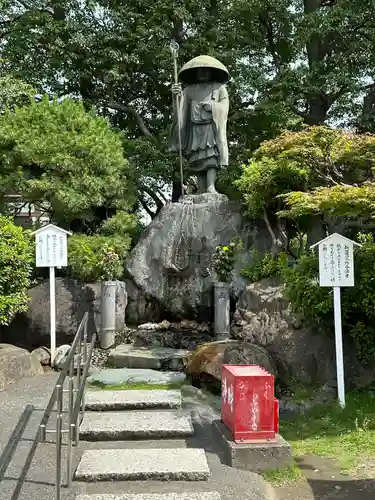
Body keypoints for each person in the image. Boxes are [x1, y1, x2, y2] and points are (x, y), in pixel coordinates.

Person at [169, 55, 230, 195]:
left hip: (211, 127)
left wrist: (213, 106)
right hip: (194, 128)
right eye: (199, 70)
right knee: (197, 158)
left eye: (205, 70)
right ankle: (201, 188)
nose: (202, 73)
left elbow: (225, 107)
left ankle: (210, 187)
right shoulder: (189, 90)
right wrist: (176, 96)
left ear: (211, 71)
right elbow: (181, 109)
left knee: (211, 156)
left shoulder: (219, 88)